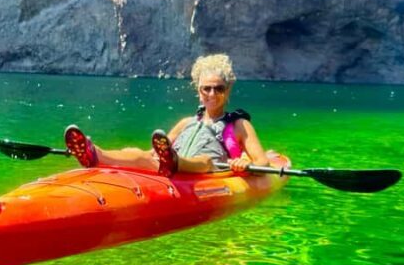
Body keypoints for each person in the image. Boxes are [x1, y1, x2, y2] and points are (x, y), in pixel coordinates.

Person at [64, 53, 270, 177]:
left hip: (205, 170)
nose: (212, 94)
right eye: (206, 88)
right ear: (198, 91)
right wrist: (142, 156)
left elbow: (263, 162)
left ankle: (173, 162)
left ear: (228, 91)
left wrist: (246, 164)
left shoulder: (239, 124)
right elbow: (157, 150)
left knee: (206, 159)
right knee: (138, 152)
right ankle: (94, 153)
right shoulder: (186, 123)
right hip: (173, 166)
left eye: (219, 89)